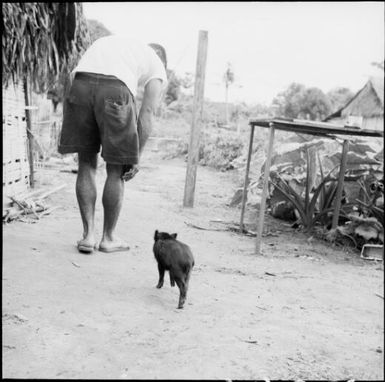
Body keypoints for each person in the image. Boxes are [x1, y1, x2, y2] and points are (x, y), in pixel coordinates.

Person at [58, 35, 168, 254]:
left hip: (79, 85)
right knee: (117, 170)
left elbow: (71, 79)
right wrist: (135, 156)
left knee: (86, 164)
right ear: (161, 58)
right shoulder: (157, 65)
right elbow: (147, 112)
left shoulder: (118, 44)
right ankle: (108, 238)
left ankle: (88, 236)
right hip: (115, 89)